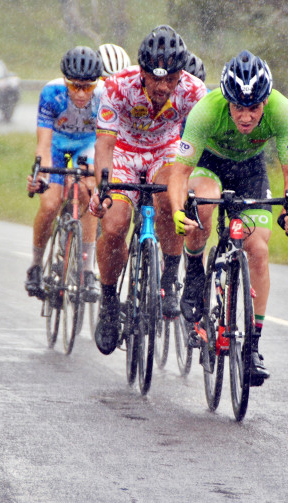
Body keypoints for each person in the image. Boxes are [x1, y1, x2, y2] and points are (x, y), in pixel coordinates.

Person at [168, 50, 288, 384]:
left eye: (254, 108)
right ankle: (195, 270)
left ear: (266, 100)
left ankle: (252, 347)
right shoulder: (206, 111)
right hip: (209, 164)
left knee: (257, 249)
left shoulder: (283, 111)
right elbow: (179, 173)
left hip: (250, 171)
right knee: (204, 204)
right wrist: (177, 211)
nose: (246, 117)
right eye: (238, 108)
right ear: (227, 101)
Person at [89, 24, 207, 355]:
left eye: (171, 78)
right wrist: (103, 187)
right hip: (123, 152)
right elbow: (104, 144)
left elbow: (200, 144)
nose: (163, 86)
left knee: (170, 200)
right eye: (155, 78)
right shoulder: (118, 85)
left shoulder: (194, 91)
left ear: (181, 74)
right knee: (114, 226)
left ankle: (169, 277)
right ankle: (109, 303)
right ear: (141, 70)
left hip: (165, 151)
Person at [25, 46, 104, 302]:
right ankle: (36, 265)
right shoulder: (51, 93)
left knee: (88, 193)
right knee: (50, 205)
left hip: (88, 145)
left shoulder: (104, 96)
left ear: (96, 83)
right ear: (65, 81)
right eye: (75, 86)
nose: (81, 93)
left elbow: (105, 143)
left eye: (87, 87)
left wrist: (96, 174)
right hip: (57, 146)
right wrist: (42, 176)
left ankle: (88, 270)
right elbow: (43, 144)